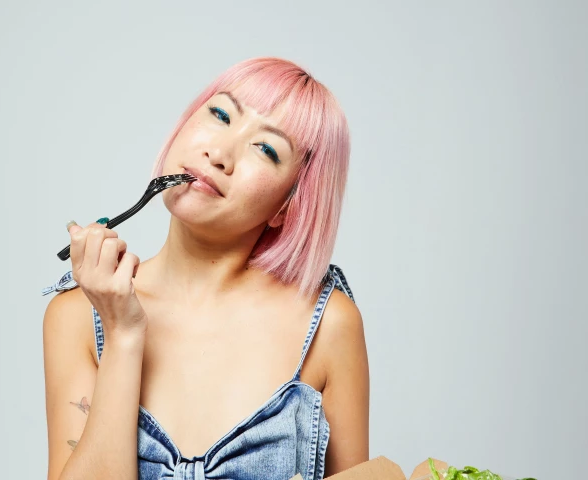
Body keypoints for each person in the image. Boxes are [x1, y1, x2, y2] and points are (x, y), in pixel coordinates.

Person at [41, 57, 369, 480]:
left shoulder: (329, 326)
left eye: (266, 149)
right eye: (220, 114)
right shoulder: (78, 316)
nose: (219, 153)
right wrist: (122, 333)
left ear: (287, 207)